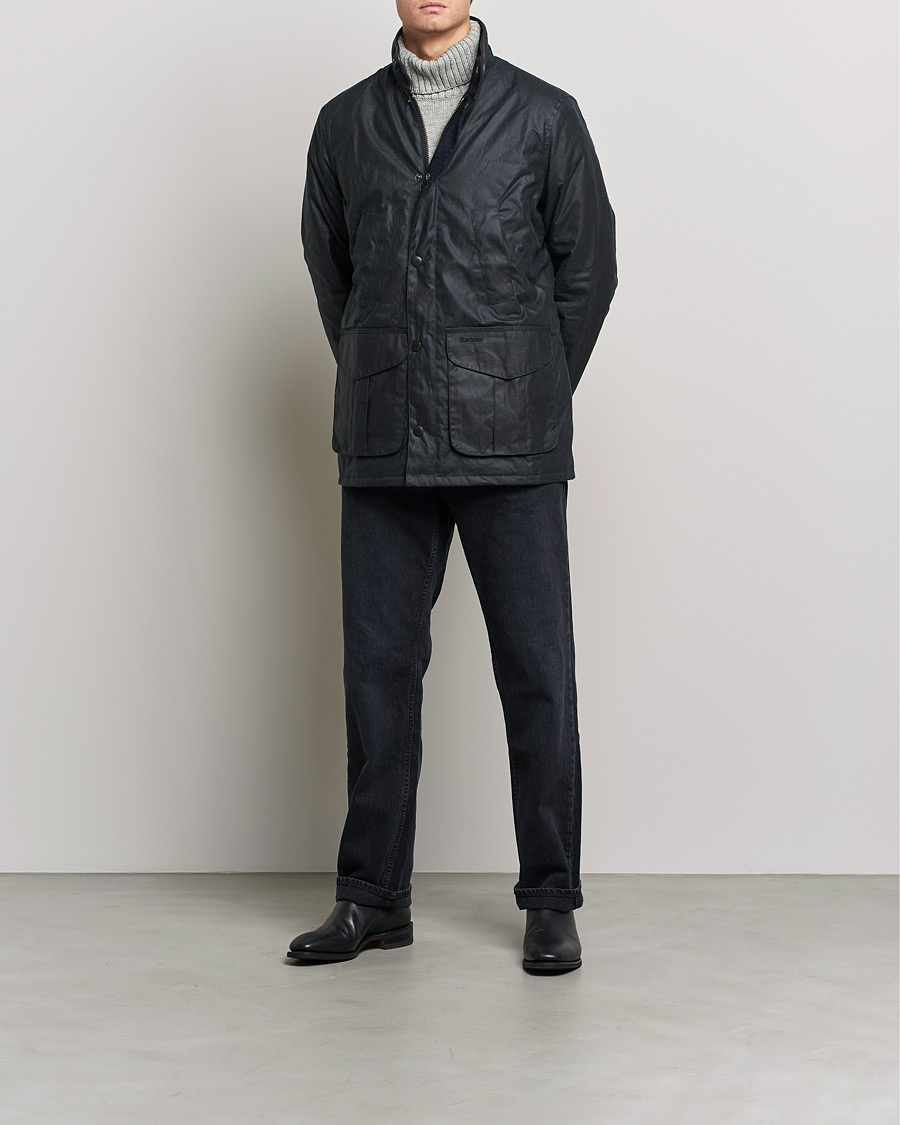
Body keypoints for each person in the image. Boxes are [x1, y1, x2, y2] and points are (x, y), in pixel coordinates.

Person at [288, 0, 617, 974]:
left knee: (538, 673)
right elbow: (334, 274)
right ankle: (372, 897)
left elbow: (589, 272)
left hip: (511, 443)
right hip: (385, 440)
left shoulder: (545, 116)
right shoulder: (345, 123)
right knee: (377, 676)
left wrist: (522, 385)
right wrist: (386, 370)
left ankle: (550, 898)